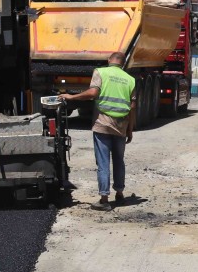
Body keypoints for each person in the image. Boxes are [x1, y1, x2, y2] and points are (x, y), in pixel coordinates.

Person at [59, 52, 138, 211]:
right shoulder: (131, 80)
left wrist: (71, 97)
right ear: (123, 64)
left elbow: (93, 93)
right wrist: (130, 129)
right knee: (118, 160)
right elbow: (132, 107)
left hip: (102, 123)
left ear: (109, 60)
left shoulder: (101, 72)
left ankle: (104, 199)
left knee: (103, 162)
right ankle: (120, 194)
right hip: (121, 125)